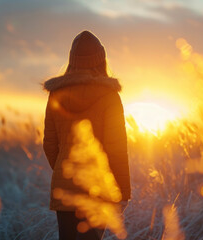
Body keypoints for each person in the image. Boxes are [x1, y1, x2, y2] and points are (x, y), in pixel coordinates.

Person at [43, 30, 131, 240]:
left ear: (72, 60)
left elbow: (49, 144)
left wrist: (67, 172)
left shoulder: (57, 94)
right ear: (101, 61)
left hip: (64, 191)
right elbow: (116, 149)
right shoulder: (110, 97)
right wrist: (123, 193)